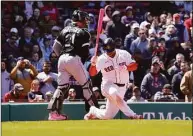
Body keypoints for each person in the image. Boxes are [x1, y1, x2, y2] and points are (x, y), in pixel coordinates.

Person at [47, 10, 99, 120]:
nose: (86, 22)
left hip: (61, 59)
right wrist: (88, 61)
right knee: (86, 85)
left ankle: (53, 114)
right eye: (84, 19)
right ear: (79, 20)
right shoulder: (84, 33)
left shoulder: (64, 30)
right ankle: (94, 112)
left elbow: (55, 47)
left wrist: (63, 56)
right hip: (74, 58)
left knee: (62, 87)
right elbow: (84, 54)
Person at [84, 38, 143, 120]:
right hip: (108, 85)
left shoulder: (124, 54)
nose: (109, 53)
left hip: (122, 87)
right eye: (107, 51)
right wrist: (93, 64)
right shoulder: (102, 59)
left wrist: (126, 67)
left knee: (108, 115)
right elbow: (92, 73)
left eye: (110, 51)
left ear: (114, 48)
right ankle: (133, 115)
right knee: (115, 94)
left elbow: (135, 66)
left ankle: (93, 111)